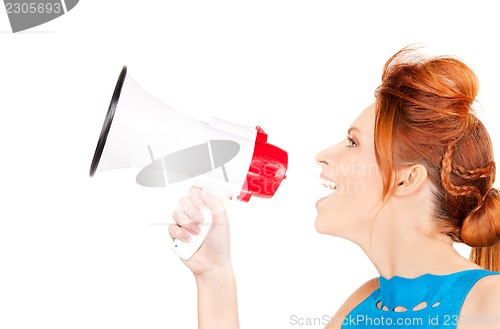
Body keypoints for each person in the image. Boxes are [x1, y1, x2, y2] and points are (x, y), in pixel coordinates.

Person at [168, 47, 500, 329]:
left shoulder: (490, 303)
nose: (323, 155)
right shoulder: (361, 309)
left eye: (353, 143)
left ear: (405, 179)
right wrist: (214, 275)